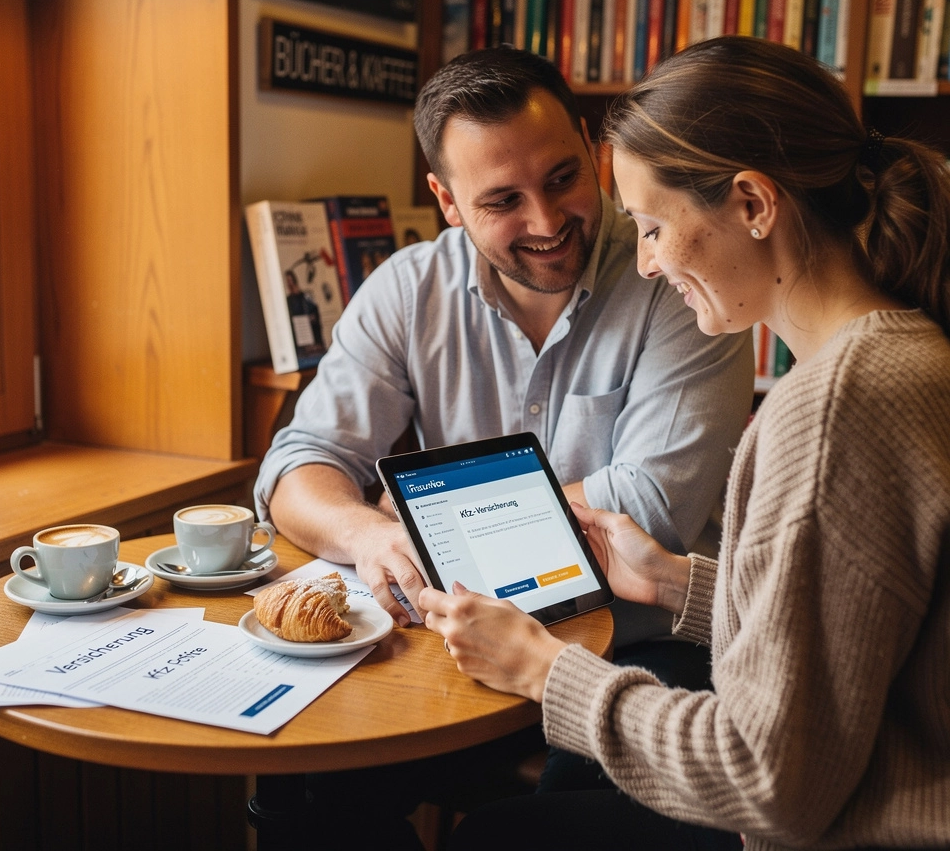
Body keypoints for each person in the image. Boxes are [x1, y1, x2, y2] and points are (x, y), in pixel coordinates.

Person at [419, 36, 950, 851]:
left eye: (654, 226)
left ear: (752, 204)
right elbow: (861, 628)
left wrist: (543, 670)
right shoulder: (903, 352)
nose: (647, 262)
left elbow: (769, 784)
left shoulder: (830, 409)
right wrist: (679, 586)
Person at [254, 46, 752, 846]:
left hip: (642, 642)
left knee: (533, 825)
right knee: (310, 791)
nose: (548, 223)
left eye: (562, 178)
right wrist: (374, 532)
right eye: (502, 201)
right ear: (446, 201)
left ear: (597, 149)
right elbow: (299, 465)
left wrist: (433, 522)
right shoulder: (406, 290)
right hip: (449, 643)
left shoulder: (680, 275)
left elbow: (654, 508)